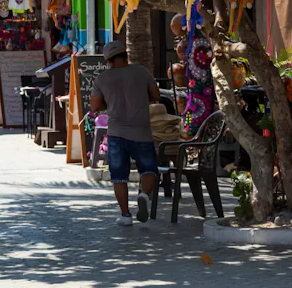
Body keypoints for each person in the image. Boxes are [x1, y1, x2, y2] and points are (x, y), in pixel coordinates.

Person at [91, 40, 160, 226]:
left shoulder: (102, 79)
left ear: (107, 60)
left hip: (116, 133)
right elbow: (156, 95)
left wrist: (110, 103)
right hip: (142, 131)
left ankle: (125, 215)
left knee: (119, 176)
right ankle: (144, 195)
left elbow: (95, 106)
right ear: (126, 55)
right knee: (149, 169)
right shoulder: (142, 72)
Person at [172, 14, 215, 138]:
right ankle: (198, 132)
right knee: (196, 106)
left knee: (200, 108)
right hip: (197, 83)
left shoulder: (199, 38)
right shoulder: (192, 39)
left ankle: (197, 132)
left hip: (201, 83)